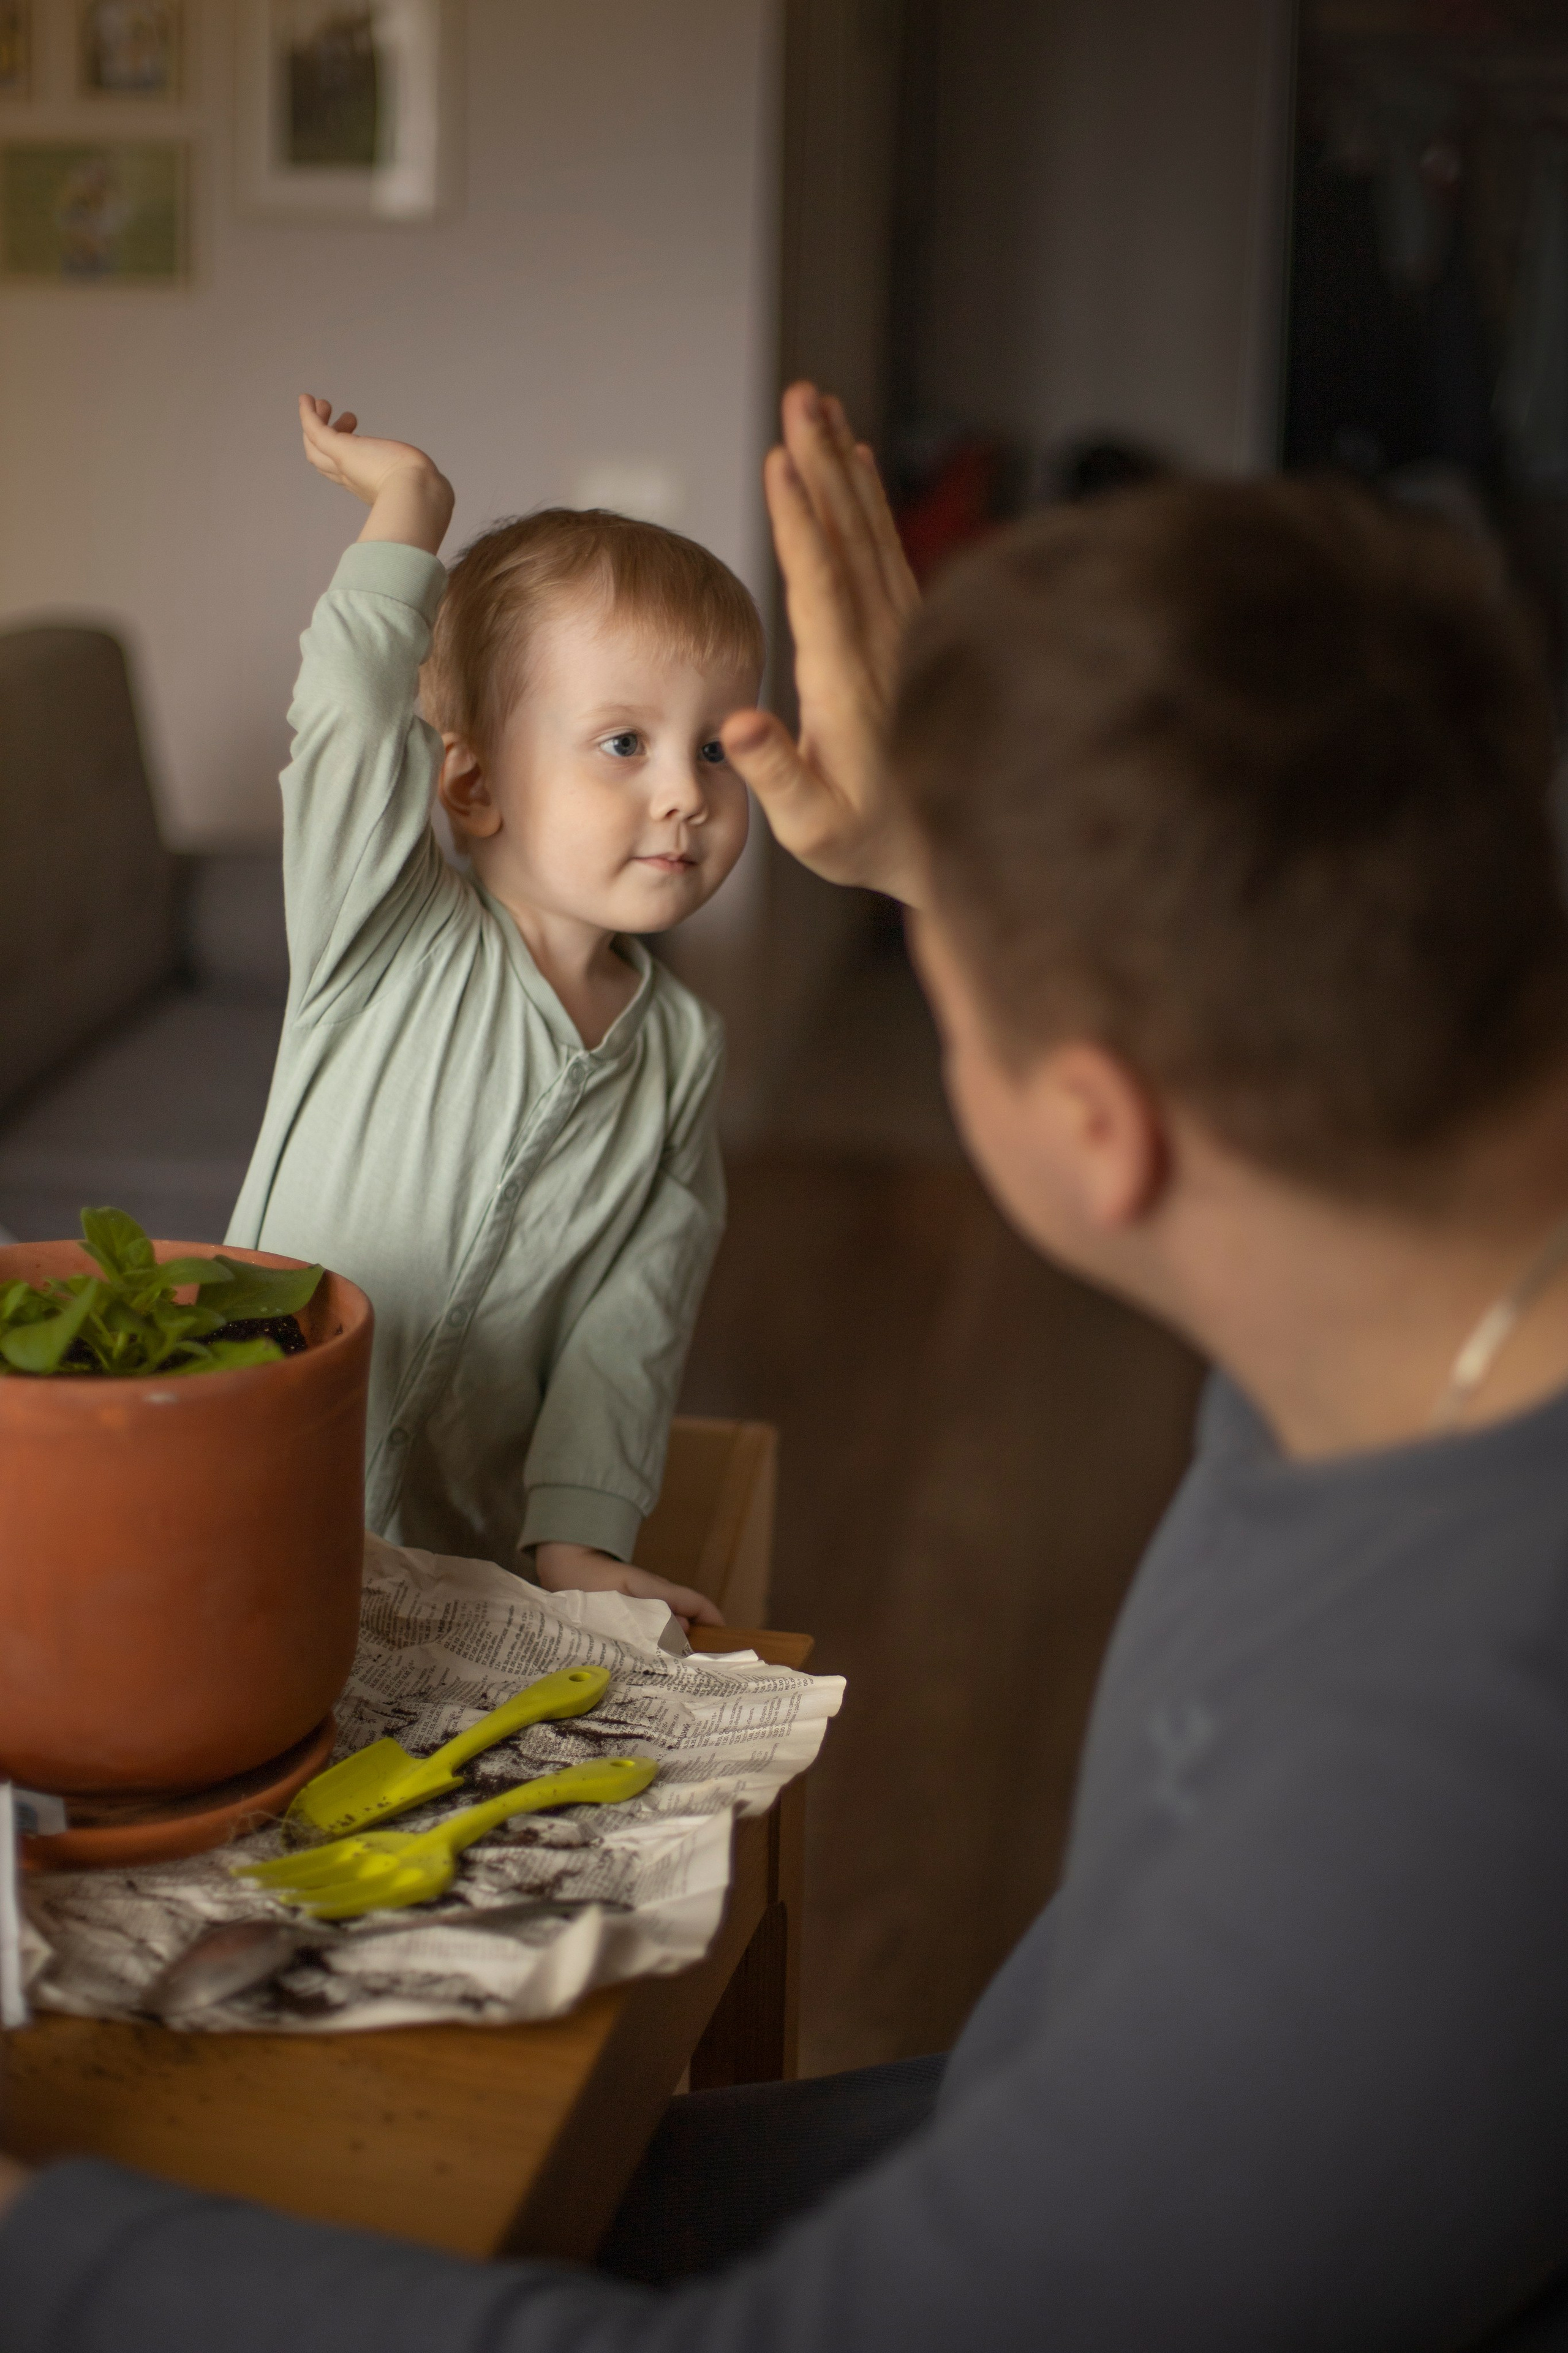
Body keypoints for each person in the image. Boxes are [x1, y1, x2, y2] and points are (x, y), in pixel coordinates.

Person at [7, 382, 1568, 2350]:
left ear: (1098, 1134)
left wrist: (42, 2244)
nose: (699, 804)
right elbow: (1028, 2125)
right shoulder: (1390, 1382)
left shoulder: (1441, 1811)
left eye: (945, 972)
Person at [225, 396, 768, 1625]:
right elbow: (351, 724)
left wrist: (578, 1539)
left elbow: (629, 1318)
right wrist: (407, 508)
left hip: (453, 1562)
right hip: (238, 1498)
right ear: (470, 782)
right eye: (624, 741)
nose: (686, 793)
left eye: (716, 749)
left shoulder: (678, 1056)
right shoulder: (381, 926)